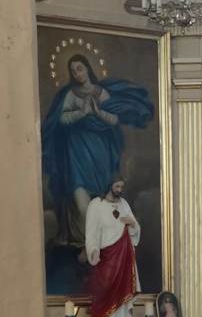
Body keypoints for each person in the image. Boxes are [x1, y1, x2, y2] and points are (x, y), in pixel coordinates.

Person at [41, 54, 154, 245]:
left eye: (80, 69)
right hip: (77, 149)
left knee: (102, 195)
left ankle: (104, 242)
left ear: (87, 68)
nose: (77, 74)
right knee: (80, 195)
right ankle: (89, 241)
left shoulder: (101, 93)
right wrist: (82, 113)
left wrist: (98, 112)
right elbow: (61, 119)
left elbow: (114, 119)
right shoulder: (70, 94)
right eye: (73, 71)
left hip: (100, 150)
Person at [84, 177, 141, 317]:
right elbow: (91, 233)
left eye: (122, 187)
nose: (120, 190)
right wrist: (93, 250)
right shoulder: (96, 205)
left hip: (123, 258)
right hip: (106, 258)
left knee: (120, 292)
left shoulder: (124, 204)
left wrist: (133, 224)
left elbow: (135, 230)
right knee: (104, 291)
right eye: (117, 186)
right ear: (109, 185)